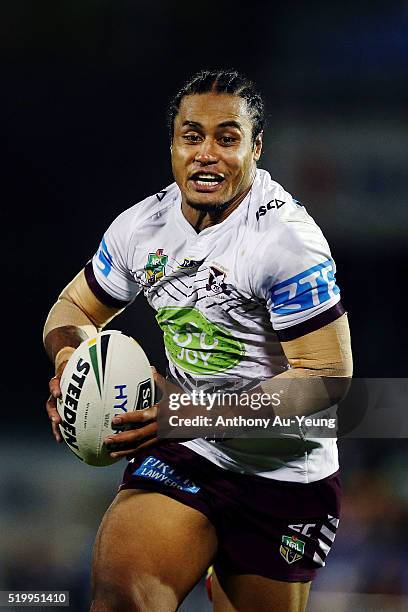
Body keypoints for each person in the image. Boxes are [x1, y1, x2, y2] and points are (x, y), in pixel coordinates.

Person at [43, 69, 352, 612]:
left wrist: (183, 413)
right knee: (122, 597)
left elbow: (325, 382)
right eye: (192, 136)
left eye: (227, 139)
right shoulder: (143, 227)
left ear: (256, 149)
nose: (207, 154)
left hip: (284, 471)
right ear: (173, 145)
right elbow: (73, 308)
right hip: (188, 451)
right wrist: (75, 363)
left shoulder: (287, 242)